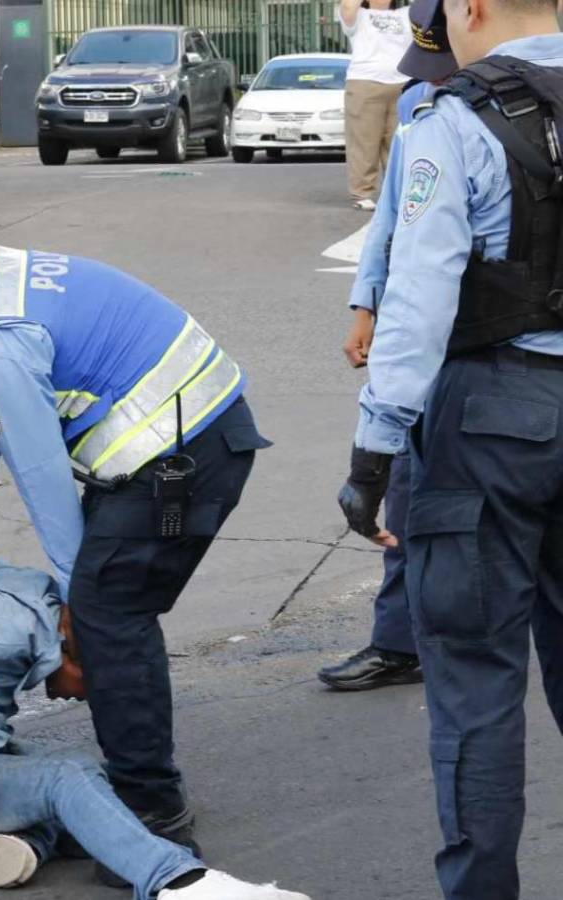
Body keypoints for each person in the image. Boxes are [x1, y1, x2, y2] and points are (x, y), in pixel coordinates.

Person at [0, 232, 270, 886]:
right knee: (104, 602)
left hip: (182, 450)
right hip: (181, 433)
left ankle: (152, 809)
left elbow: (41, 478)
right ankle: (128, 793)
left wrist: (76, 621)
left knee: (107, 609)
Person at [335, 0, 563, 896]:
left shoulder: (454, 116)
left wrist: (372, 455)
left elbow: (422, 293)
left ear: (469, 8)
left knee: (474, 689)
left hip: (489, 419)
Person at [0, 532, 312, 900]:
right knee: (67, 777)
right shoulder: (8, 631)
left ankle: (21, 843)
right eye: (91, 690)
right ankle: (179, 884)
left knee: (97, 781)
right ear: (77, 658)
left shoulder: (36, 595)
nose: (78, 699)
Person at [320, 0, 457, 691]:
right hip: (423, 347)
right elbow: (390, 230)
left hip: (492, 348)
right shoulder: (420, 112)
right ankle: (398, 641)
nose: (431, 80)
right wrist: (365, 304)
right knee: (406, 498)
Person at [338, 0, 412, 209]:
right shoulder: (359, 15)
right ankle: (362, 193)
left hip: (401, 83)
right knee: (364, 142)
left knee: (399, 142)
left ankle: (399, 193)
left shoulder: (406, 14)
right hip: (365, 82)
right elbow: (347, 7)